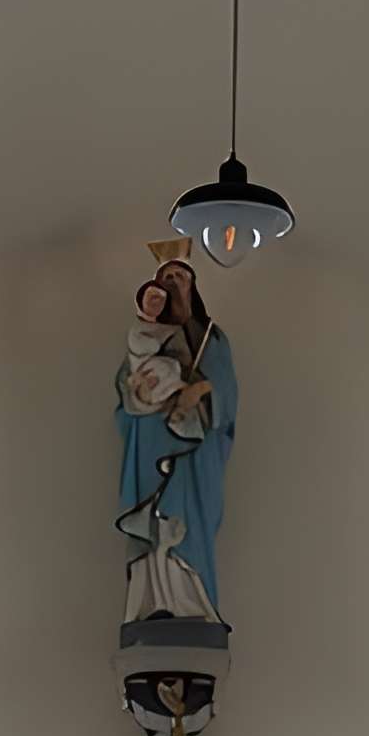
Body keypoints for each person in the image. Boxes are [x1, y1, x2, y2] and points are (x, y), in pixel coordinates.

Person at [114, 258, 238, 625]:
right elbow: (127, 394)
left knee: (188, 520)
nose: (171, 284)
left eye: (179, 277)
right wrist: (141, 395)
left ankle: (194, 607)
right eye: (164, 278)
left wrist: (197, 392)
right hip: (151, 442)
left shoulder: (209, 336)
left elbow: (226, 395)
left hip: (194, 451)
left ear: (191, 286)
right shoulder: (143, 337)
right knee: (153, 524)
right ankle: (151, 604)